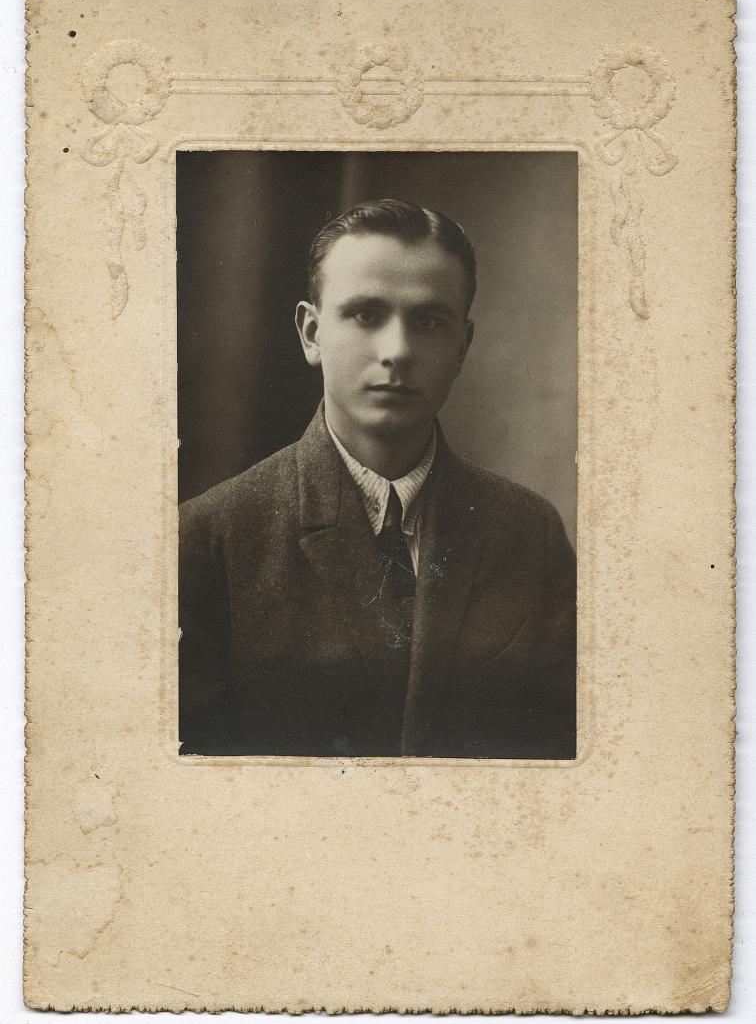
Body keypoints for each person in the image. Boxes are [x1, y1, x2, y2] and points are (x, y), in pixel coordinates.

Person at [179, 199, 576, 758]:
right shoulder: (208, 538)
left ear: (463, 346)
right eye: (366, 315)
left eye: (429, 321)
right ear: (312, 333)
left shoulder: (528, 534)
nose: (397, 351)